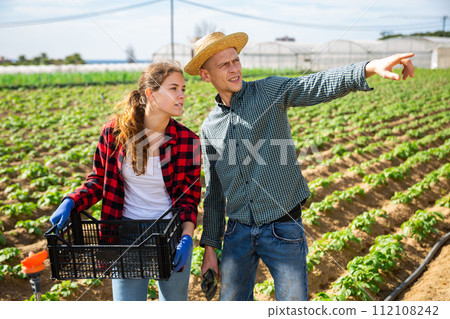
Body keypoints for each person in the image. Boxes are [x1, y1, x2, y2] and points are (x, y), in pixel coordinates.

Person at [184, 31, 414, 301]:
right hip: (237, 233)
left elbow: (313, 85)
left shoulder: (268, 91)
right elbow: (213, 193)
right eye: (224, 65)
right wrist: (210, 248)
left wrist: (368, 68)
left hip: (282, 228)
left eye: (236, 61)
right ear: (205, 74)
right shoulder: (209, 126)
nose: (234, 69)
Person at [50, 62, 202, 301]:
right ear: (150, 94)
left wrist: (186, 236)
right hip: (124, 234)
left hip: (169, 234)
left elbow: (189, 196)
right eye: (173, 88)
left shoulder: (188, 140)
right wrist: (72, 201)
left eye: (183, 88)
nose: (182, 95)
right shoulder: (114, 133)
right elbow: (99, 180)